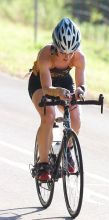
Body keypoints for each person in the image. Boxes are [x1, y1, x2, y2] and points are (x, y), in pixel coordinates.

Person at [28, 17, 86, 181]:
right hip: (40, 84)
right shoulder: (45, 54)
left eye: (71, 52)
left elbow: (81, 83)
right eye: (63, 52)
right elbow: (47, 88)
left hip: (64, 83)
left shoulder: (79, 58)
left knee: (76, 117)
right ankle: (43, 164)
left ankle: (66, 149)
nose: (67, 57)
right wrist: (58, 92)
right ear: (55, 47)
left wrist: (80, 91)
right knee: (49, 116)